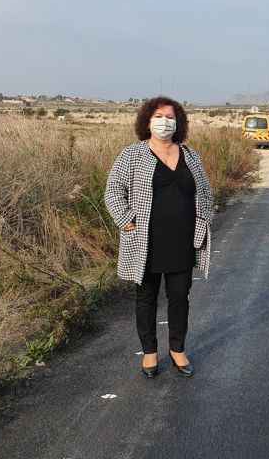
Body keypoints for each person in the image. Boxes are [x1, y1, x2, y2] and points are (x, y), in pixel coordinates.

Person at [104, 96, 213, 378]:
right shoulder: (132, 154)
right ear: (147, 121)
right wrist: (126, 220)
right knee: (147, 297)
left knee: (180, 297)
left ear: (179, 122)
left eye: (170, 116)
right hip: (146, 240)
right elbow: (113, 190)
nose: (165, 121)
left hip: (182, 240)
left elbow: (205, 191)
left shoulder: (191, 155)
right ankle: (150, 353)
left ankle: (177, 349)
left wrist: (204, 218)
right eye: (158, 116)